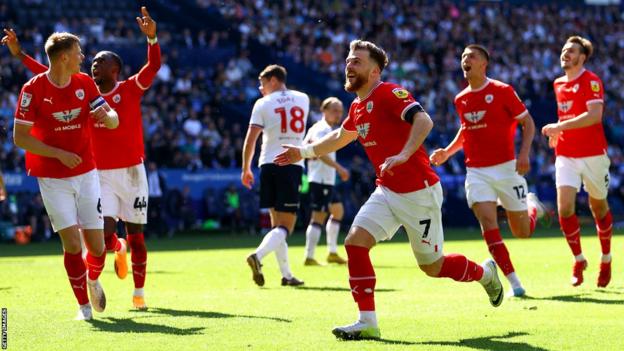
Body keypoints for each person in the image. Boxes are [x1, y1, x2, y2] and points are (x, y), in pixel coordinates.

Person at [275, 40, 503, 340]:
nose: (349, 65)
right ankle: (367, 321)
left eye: (356, 61)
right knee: (355, 243)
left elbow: (424, 120)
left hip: (419, 192)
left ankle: (486, 274)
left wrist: (405, 153)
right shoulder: (357, 107)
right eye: (348, 60)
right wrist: (302, 153)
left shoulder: (388, 93)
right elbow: (338, 139)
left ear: (374, 70)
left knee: (432, 267)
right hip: (387, 190)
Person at [3, 7, 161, 309]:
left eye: (100, 61)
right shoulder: (77, 84)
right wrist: (20, 54)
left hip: (130, 171)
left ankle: (138, 293)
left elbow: (153, 67)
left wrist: (152, 38)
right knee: (96, 239)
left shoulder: (126, 89)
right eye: (87, 57)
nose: (90, 63)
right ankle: (91, 287)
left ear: (115, 69)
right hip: (95, 171)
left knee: (135, 234)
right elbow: (48, 74)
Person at [12, 32, 119, 320]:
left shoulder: (84, 83)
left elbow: (112, 118)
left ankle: (93, 280)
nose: (83, 58)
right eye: (79, 52)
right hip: (52, 178)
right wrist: (58, 154)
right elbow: (20, 138)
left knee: (97, 248)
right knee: (72, 244)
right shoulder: (32, 89)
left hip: (86, 174)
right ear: (64, 58)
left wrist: (107, 119)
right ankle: (84, 307)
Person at [429, 45, 550, 297]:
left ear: (484, 64)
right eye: (462, 56)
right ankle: (515, 283)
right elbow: (466, 129)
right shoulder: (460, 98)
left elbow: (527, 122)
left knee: (522, 232)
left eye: (471, 56)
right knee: (488, 223)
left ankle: (532, 207)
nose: (465, 60)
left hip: (507, 168)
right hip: (476, 172)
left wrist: (524, 153)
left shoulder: (502, 91)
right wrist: (447, 152)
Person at [542, 36, 613, 288]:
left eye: (571, 51)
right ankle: (579, 259)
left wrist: (559, 125)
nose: (565, 54)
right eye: (563, 50)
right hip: (566, 153)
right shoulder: (558, 83)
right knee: (564, 209)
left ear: (582, 57)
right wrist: (560, 132)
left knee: (599, 208)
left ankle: (606, 258)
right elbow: (567, 113)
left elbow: (594, 116)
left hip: (594, 154)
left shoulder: (592, 81)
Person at [241, 64, 308, 287]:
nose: (260, 88)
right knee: (285, 226)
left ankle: (287, 275)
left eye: (262, 83)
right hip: (290, 163)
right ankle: (258, 256)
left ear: (273, 80)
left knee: (277, 224)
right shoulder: (303, 98)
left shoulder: (262, 103)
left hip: (267, 164)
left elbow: (251, 139)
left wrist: (245, 168)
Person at [302, 97, 349, 266]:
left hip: (325, 179)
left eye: (340, 110)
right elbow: (320, 153)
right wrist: (339, 168)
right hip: (320, 179)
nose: (338, 114)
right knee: (318, 217)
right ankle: (309, 255)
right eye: (334, 110)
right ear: (324, 110)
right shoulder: (321, 129)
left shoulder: (325, 128)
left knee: (338, 211)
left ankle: (332, 252)